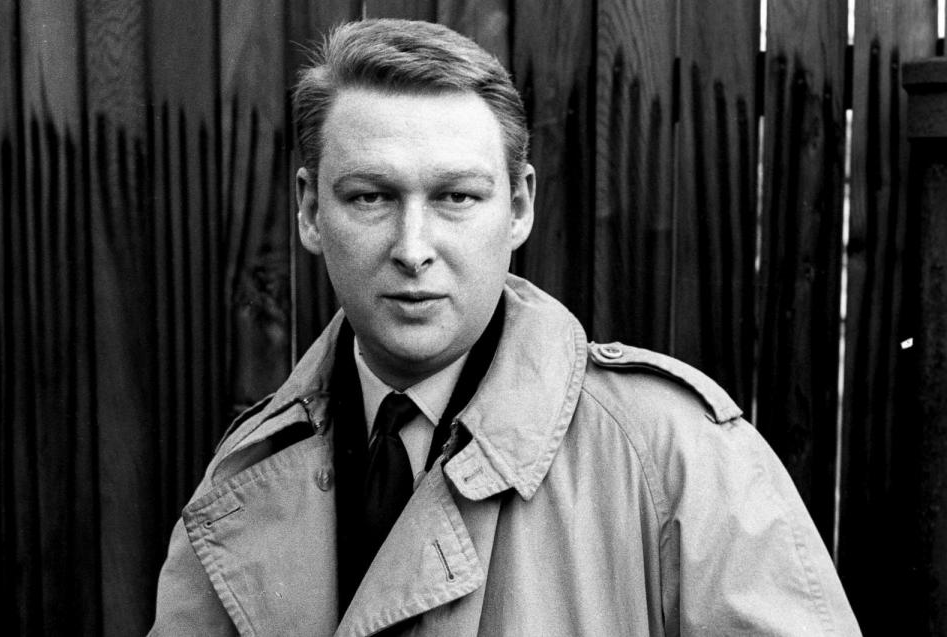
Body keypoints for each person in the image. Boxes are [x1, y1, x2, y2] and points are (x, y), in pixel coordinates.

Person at [150, 19, 861, 636]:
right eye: (370, 196)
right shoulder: (242, 478)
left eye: (457, 196)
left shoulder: (673, 457)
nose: (413, 246)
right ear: (310, 211)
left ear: (519, 205)